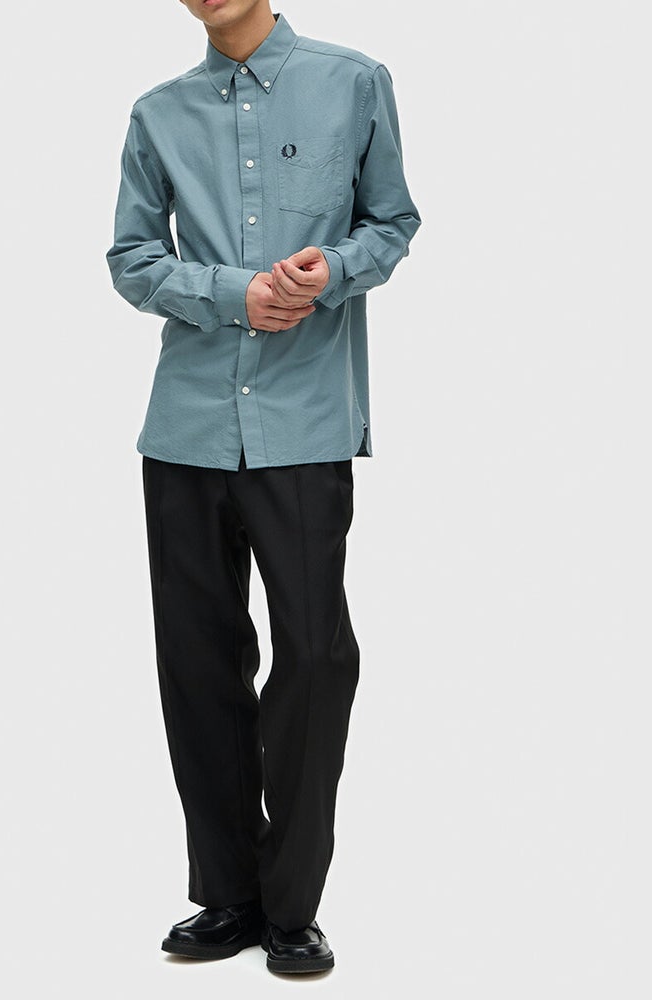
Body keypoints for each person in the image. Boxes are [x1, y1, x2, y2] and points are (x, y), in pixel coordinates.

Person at [105, 0, 420, 975]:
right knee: (198, 666)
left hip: (306, 424)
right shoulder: (158, 113)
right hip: (187, 430)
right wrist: (228, 293)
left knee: (316, 658)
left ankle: (292, 902)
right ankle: (230, 894)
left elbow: (392, 222)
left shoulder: (353, 81)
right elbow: (131, 259)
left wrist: (334, 269)